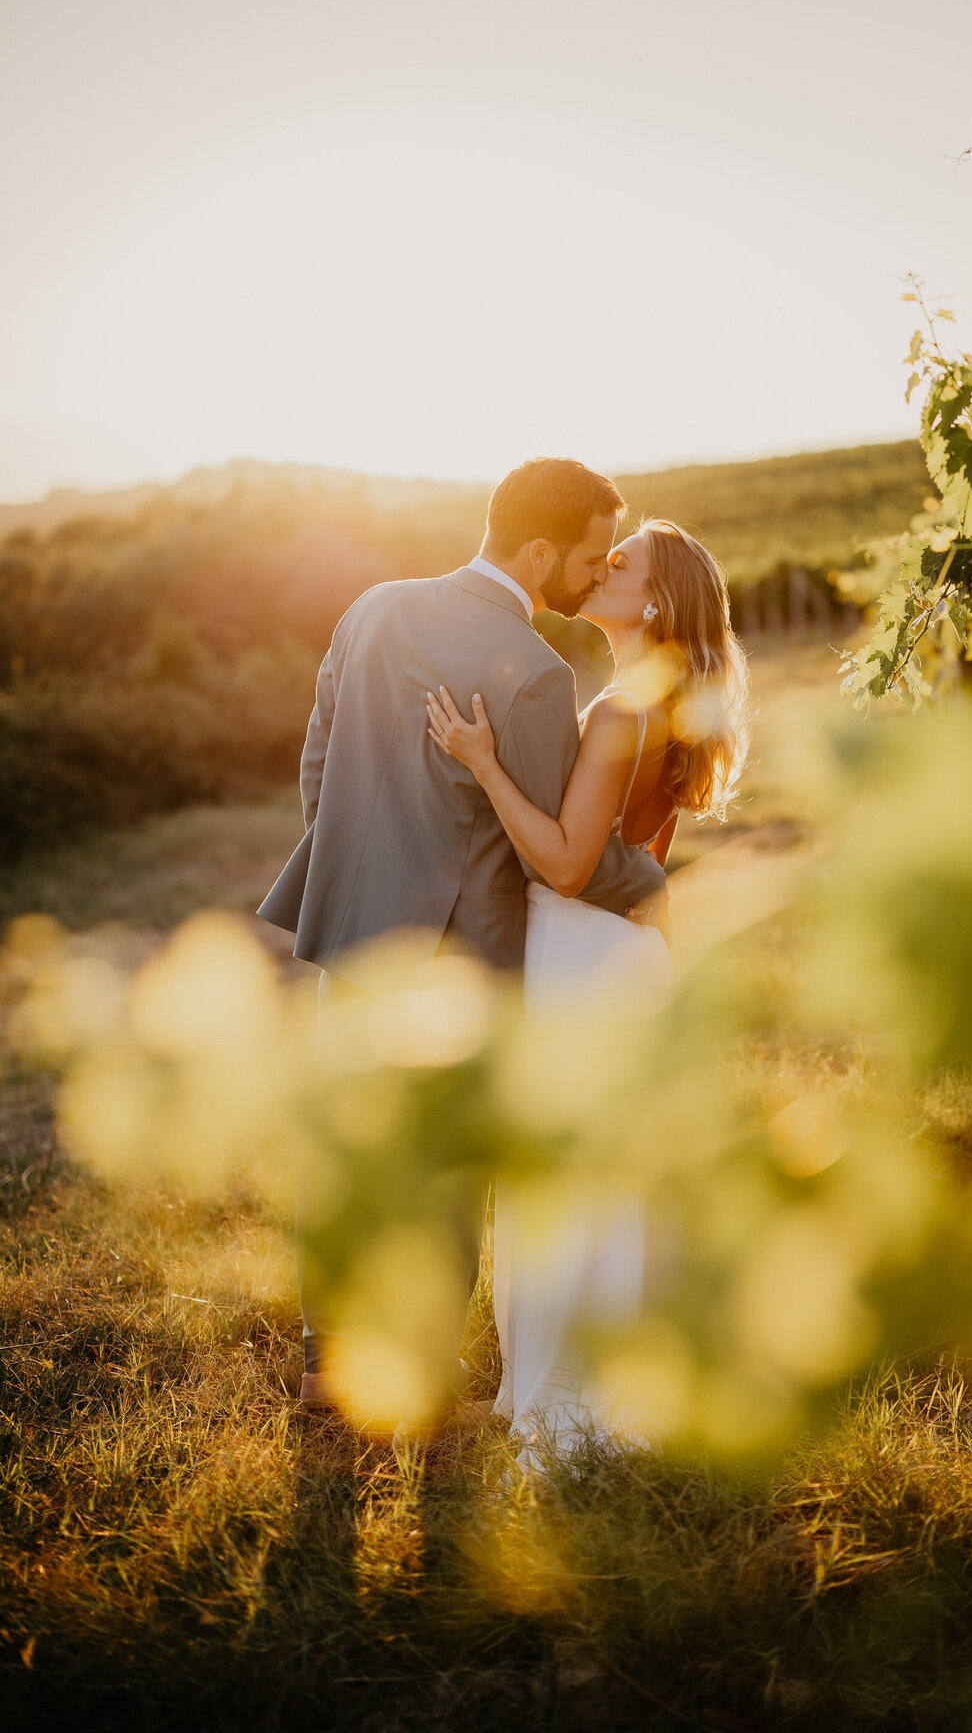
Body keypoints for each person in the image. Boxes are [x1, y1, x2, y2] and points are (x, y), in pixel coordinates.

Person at [258, 457, 666, 1433]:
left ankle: (325, 1370)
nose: (596, 571)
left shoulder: (373, 609)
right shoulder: (534, 672)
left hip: (352, 936)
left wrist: (361, 868)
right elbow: (557, 852)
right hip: (457, 965)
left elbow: (318, 759)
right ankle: (422, 1389)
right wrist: (652, 878)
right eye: (587, 556)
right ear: (536, 554)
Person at [425, 517, 750, 1470]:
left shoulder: (618, 711)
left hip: (580, 957)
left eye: (620, 565)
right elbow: (640, 863)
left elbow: (568, 865)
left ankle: (569, 1405)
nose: (601, 572)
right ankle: (586, 1379)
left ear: (650, 601)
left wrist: (481, 763)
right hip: (626, 962)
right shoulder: (677, 705)